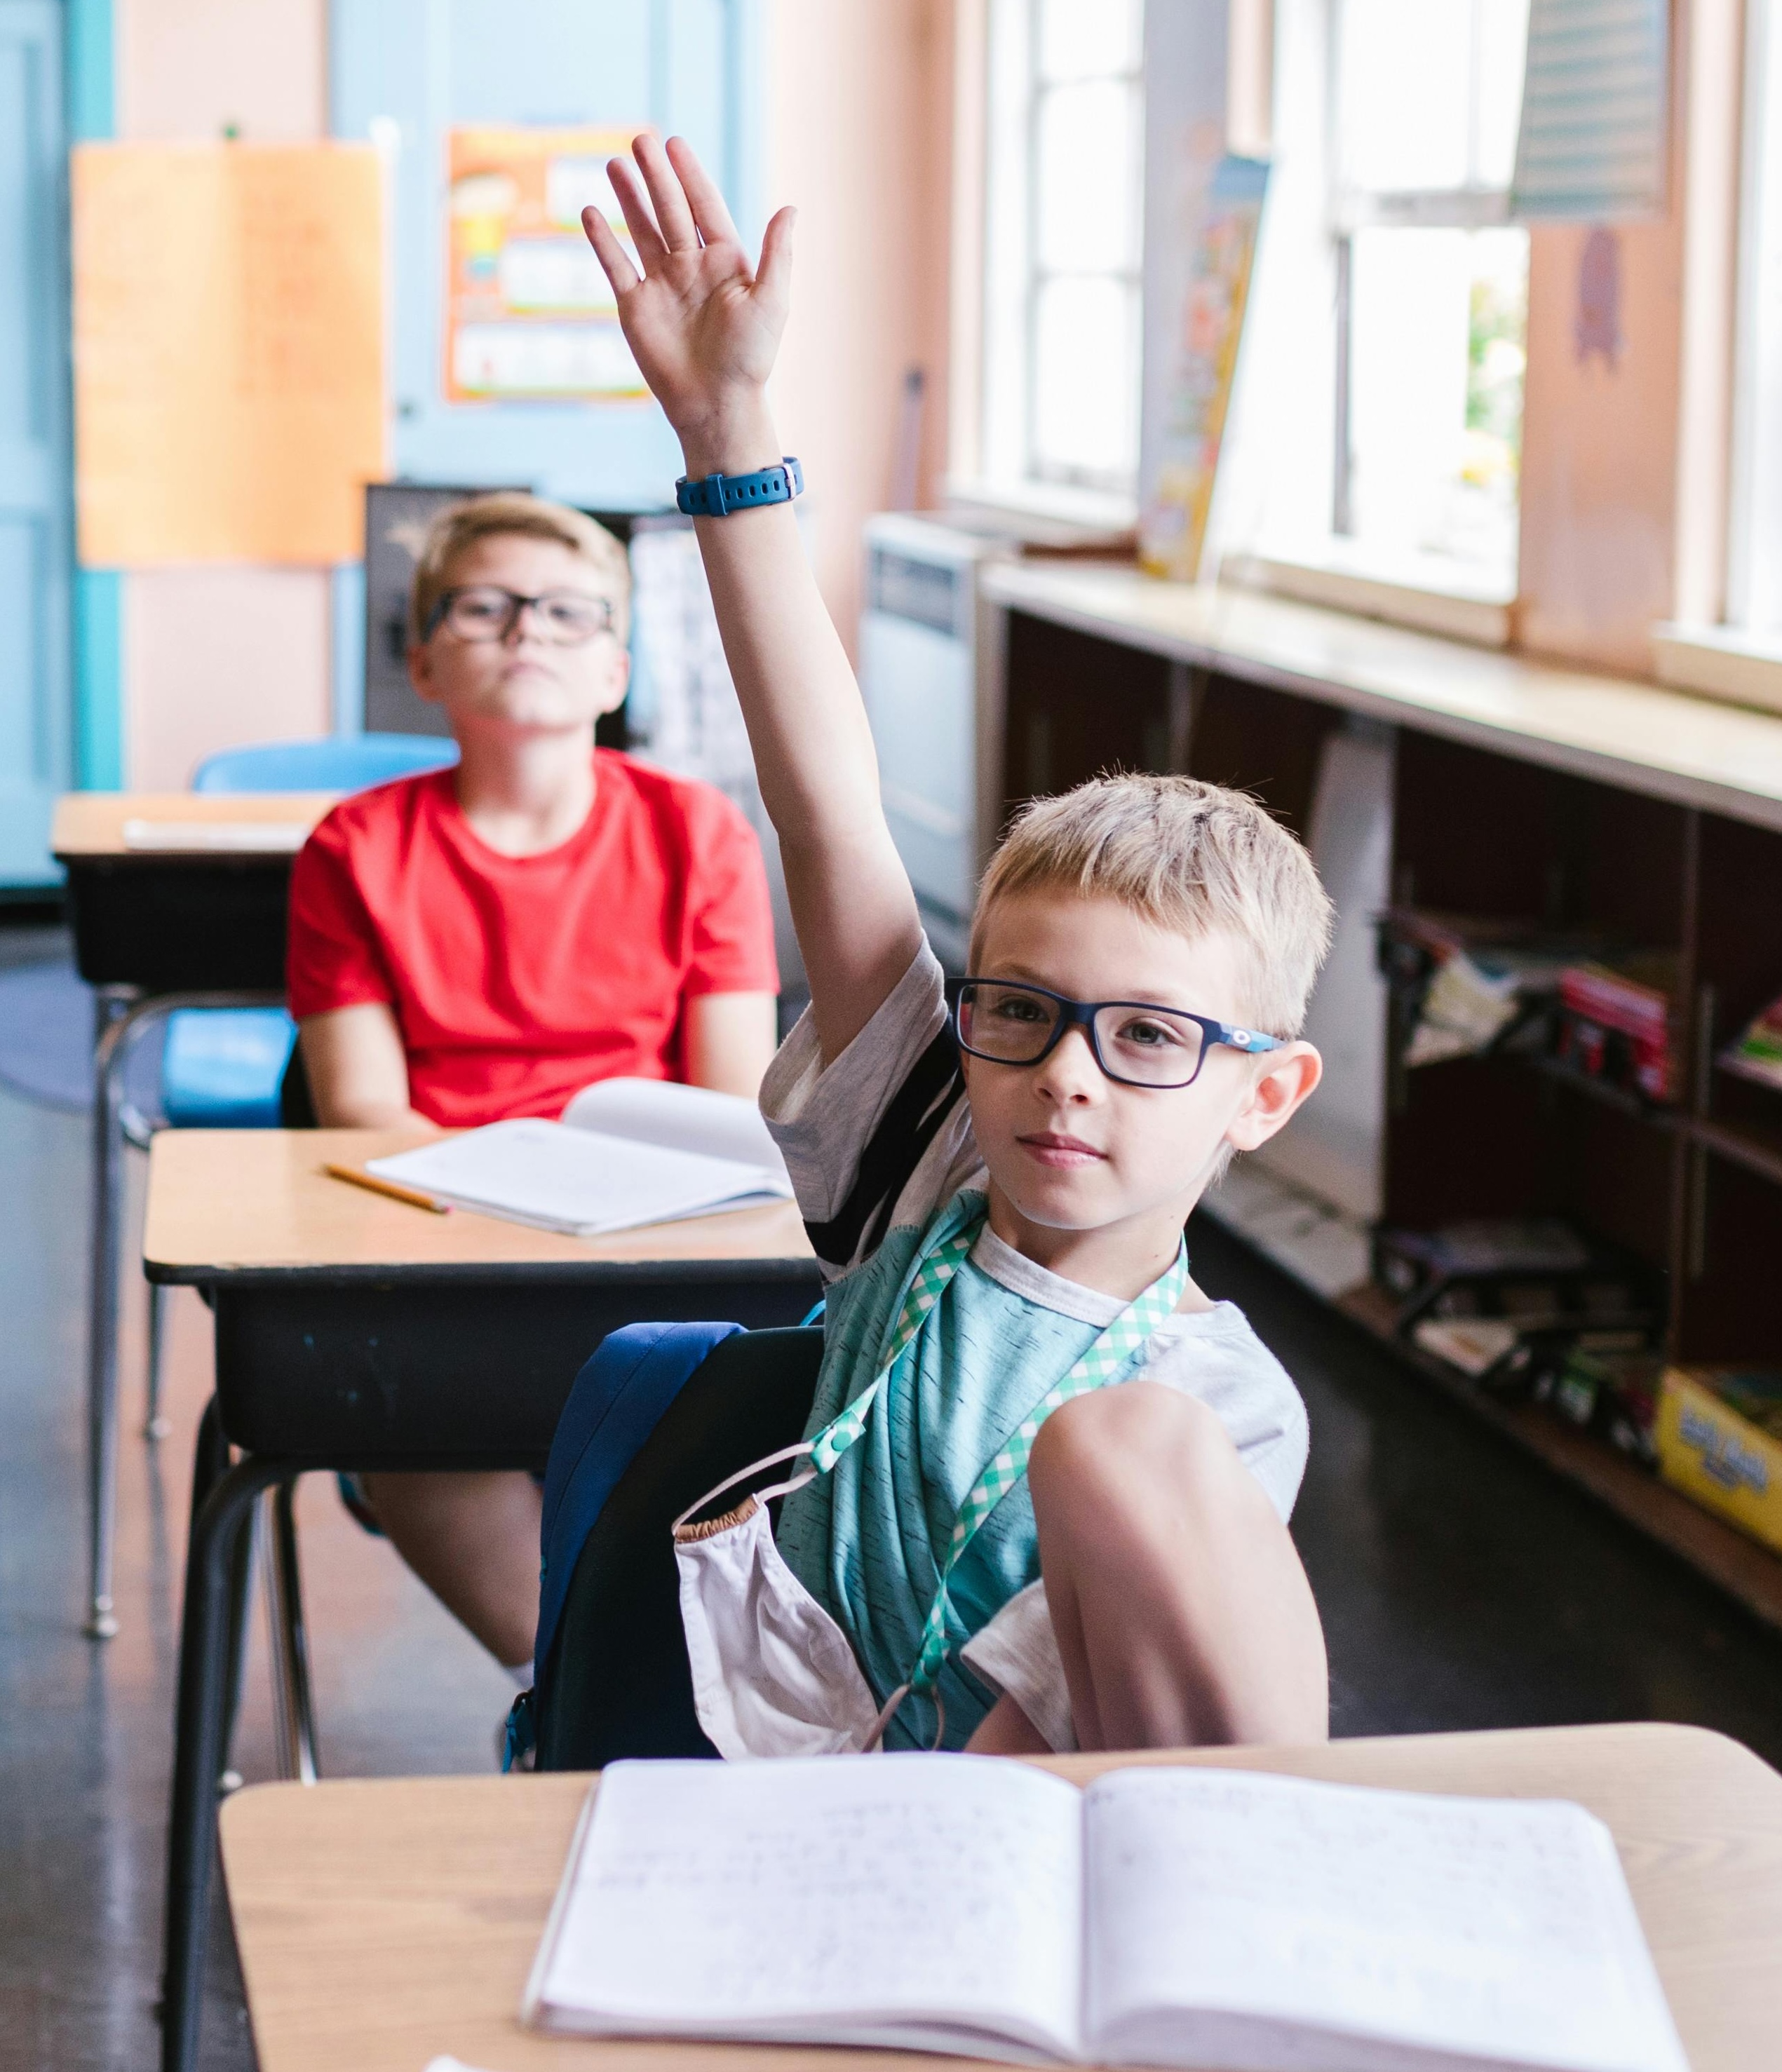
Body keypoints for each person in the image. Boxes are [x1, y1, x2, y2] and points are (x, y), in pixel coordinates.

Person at [579, 135, 1332, 1754]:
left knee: (1122, 1456)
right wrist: (728, 427)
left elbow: (1081, 1745)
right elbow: (830, 814)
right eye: (1022, 1011)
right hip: (765, 1793)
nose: (1064, 1076)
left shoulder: (1220, 1410)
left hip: (1016, 1849)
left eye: (1146, 1037)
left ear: (1263, 1093)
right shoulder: (926, 1164)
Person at [285, 491, 780, 1677]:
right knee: (395, 1407)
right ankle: (573, 1696)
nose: (528, 631)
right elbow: (362, 1107)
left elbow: (732, 1103)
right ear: (422, 663)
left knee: (764, 1401)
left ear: (614, 667)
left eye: (568, 613)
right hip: (447, 1243)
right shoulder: (353, 848)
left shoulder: (698, 831)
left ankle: (649, 1699)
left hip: (658, 1247)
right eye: (485, 607)